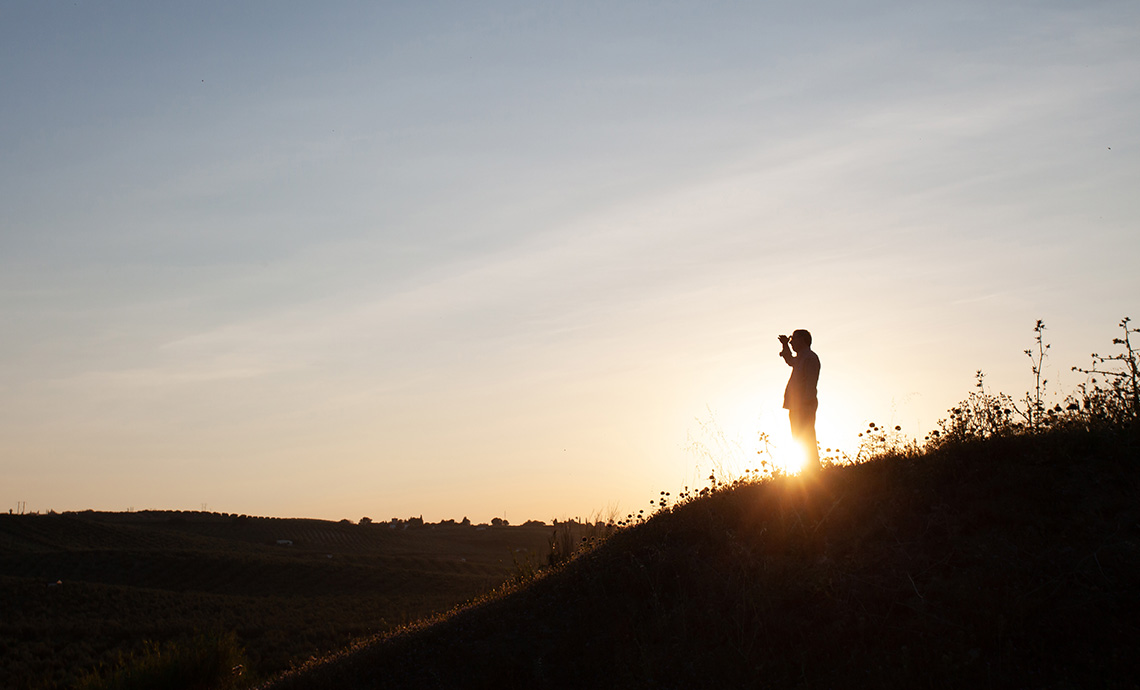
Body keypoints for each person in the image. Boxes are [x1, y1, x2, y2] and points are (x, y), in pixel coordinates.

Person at [779, 329, 821, 472]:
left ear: (803, 340)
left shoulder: (809, 358)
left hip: (804, 405)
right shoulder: (801, 357)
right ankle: (807, 470)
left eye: (793, 339)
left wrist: (806, 402)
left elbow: (810, 383)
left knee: (806, 436)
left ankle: (813, 470)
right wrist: (784, 345)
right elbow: (789, 360)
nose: (791, 342)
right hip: (797, 405)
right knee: (798, 436)